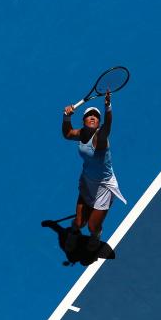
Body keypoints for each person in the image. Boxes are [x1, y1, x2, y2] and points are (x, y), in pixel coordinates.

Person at [61, 90, 126, 251]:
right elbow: (67, 133)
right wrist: (66, 117)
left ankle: (96, 237)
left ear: (98, 122)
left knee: (91, 226)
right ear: (83, 121)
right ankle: (74, 233)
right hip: (87, 181)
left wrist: (108, 108)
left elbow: (108, 126)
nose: (92, 117)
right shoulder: (81, 133)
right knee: (78, 222)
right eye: (89, 115)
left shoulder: (100, 138)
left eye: (96, 116)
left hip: (104, 187)